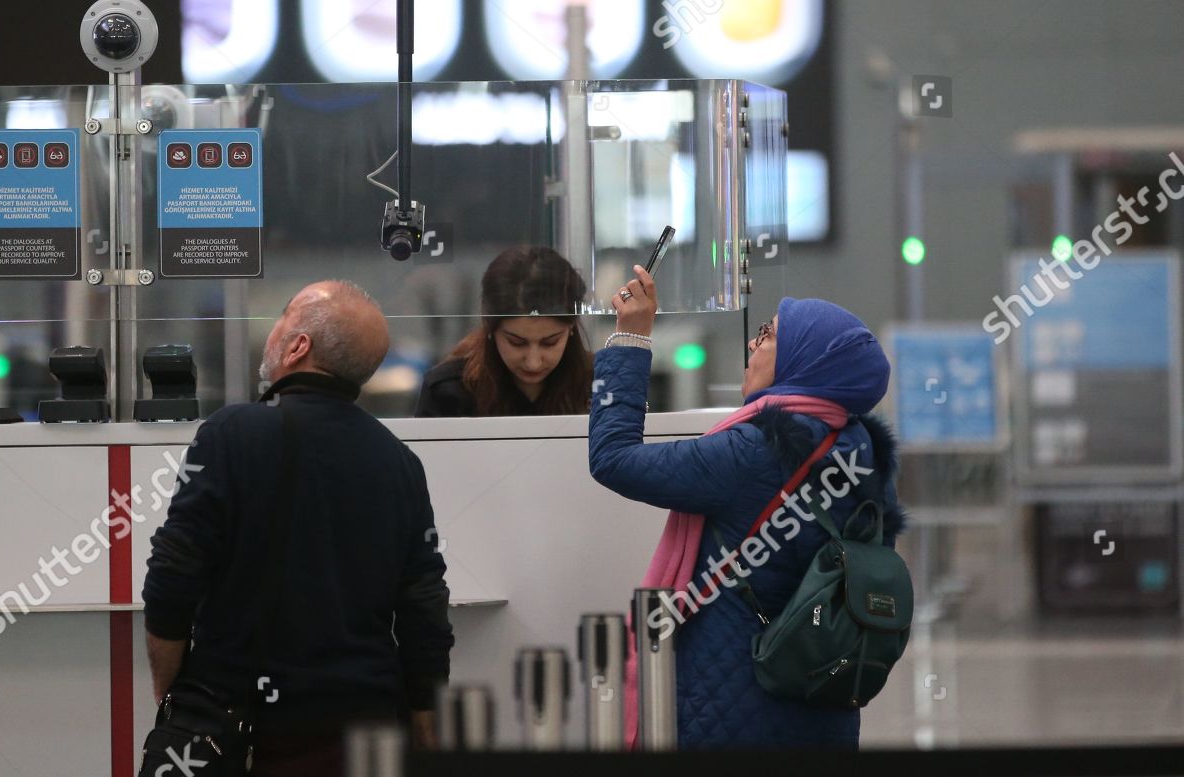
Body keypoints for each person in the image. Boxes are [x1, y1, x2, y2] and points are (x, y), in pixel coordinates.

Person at [143, 281, 454, 776]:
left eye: (284, 318)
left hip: (241, 729)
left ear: (298, 345)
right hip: (362, 734)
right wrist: (423, 720)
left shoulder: (232, 433)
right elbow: (424, 611)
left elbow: (172, 575)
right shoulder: (400, 464)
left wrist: (175, 691)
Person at [587, 266, 905, 749]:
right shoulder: (863, 453)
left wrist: (630, 339)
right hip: (825, 699)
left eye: (769, 335)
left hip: (732, 709)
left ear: (806, 361)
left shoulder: (755, 451)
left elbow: (612, 458)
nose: (753, 346)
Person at [414, 245, 593, 417]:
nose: (533, 363)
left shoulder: (601, 384)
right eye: (516, 342)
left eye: (550, 342)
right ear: (490, 327)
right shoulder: (448, 391)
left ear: (571, 327)